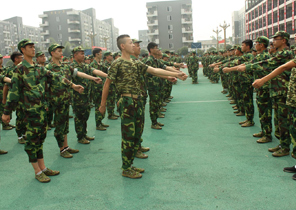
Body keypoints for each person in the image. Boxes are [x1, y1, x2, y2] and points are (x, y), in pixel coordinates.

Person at [99, 34, 188, 179]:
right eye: (130, 43)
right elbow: (107, 84)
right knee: (128, 136)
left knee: (136, 134)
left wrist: (176, 73)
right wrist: (102, 105)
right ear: (123, 46)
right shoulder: (117, 63)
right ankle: (126, 168)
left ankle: (131, 163)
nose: (133, 45)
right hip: (127, 102)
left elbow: (154, 70)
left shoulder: (136, 63)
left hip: (139, 101)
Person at [2, 39, 84, 183]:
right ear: (22, 49)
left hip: (41, 111)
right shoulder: (19, 69)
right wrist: (7, 112)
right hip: (29, 112)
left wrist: (72, 85)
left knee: (40, 140)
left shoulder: (38, 68)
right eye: (30, 47)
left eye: (34, 46)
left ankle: (43, 168)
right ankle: (37, 171)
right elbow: (13, 92)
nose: (33, 49)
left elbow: (56, 76)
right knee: (32, 142)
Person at [239, 31, 293, 157]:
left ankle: (285, 147)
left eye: (276, 39)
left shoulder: (286, 53)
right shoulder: (280, 53)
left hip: (283, 91)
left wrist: (246, 67)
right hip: (277, 90)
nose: (273, 41)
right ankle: (282, 144)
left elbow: (268, 64)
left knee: (284, 121)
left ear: (284, 40)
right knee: (279, 120)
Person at [46, 44, 102, 157]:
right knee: (59, 126)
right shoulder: (48, 68)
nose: (61, 52)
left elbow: (78, 73)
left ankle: (66, 146)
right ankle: (62, 149)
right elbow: (45, 86)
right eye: (58, 51)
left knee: (65, 125)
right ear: (52, 53)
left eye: (61, 50)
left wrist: (93, 78)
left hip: (66, 99)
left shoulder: (65, 66)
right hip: (55, 101)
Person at [70, 46, 108, 144]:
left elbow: (95, 71)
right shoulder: (71, 67)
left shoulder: (84, 66)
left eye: (83, 53)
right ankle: (80, 136)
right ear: (75, 55)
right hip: (77, 96)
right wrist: (93, 78)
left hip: (86, 95)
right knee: (79, 117)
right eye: (81, 53)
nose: (84, 55)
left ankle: (84, 133)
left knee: (85, 115)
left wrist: (108, 76)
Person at [3, 52, 25, 143]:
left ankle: (24, 134)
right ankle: (20, 136)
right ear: (15, 59)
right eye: (21, 58)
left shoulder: (24, 68)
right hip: (16, 96)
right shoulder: (10, 70)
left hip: (25, 97)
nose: (22, 59)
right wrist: (4, 99)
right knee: (20, 116)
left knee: (25, 116)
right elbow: (6, 86)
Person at [90, 48, 109, 131]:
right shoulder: (92, 65)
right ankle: (98, 123)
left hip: (102, 87)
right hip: (96, 88)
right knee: (98, 105)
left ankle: (100, 121)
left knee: (102, 104)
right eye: (100, 53)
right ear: (96, 54)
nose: (102, 55)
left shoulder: (100, 64)